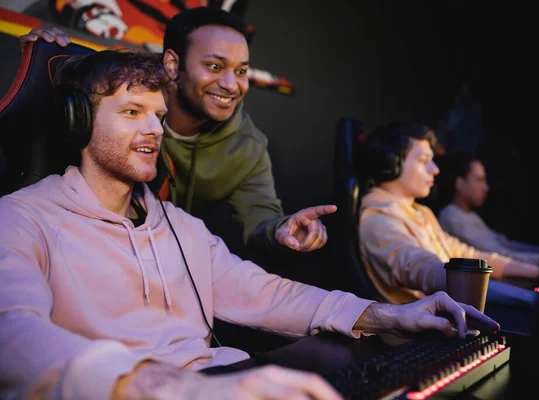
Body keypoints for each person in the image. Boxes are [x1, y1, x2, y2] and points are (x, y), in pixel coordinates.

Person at [0, 49, 501, 400]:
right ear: (80, 123)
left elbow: (268, 293)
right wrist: (172, 388)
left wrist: (388, 315)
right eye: (132, 112)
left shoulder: (177, 225)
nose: (154, 129)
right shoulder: (21, 218)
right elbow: (13, 337)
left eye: (157, 114)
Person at [18, 6, 335, 259]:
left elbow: (261, 218)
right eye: (214, 66)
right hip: (83, 250)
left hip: (162, 263)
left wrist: (282, 229)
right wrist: (43, 58)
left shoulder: (247, 146)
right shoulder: (121, 89)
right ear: (172, 63)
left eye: (240, 71)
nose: (231, 84)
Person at [358, 122, 539, 306]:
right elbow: (423, 269)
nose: (435, 169)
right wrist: (527, 298)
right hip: (420, 332)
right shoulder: (377, 220)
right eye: (423, 161)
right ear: (391, 165)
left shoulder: (419, 211)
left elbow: (464, 255)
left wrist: (536, 272)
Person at [437, 150, 539, 265]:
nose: (485, 187)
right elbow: (497, 253)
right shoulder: (452, 216)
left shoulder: (470, 215)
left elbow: (504, 243)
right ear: (459, 183)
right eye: (479, 180)